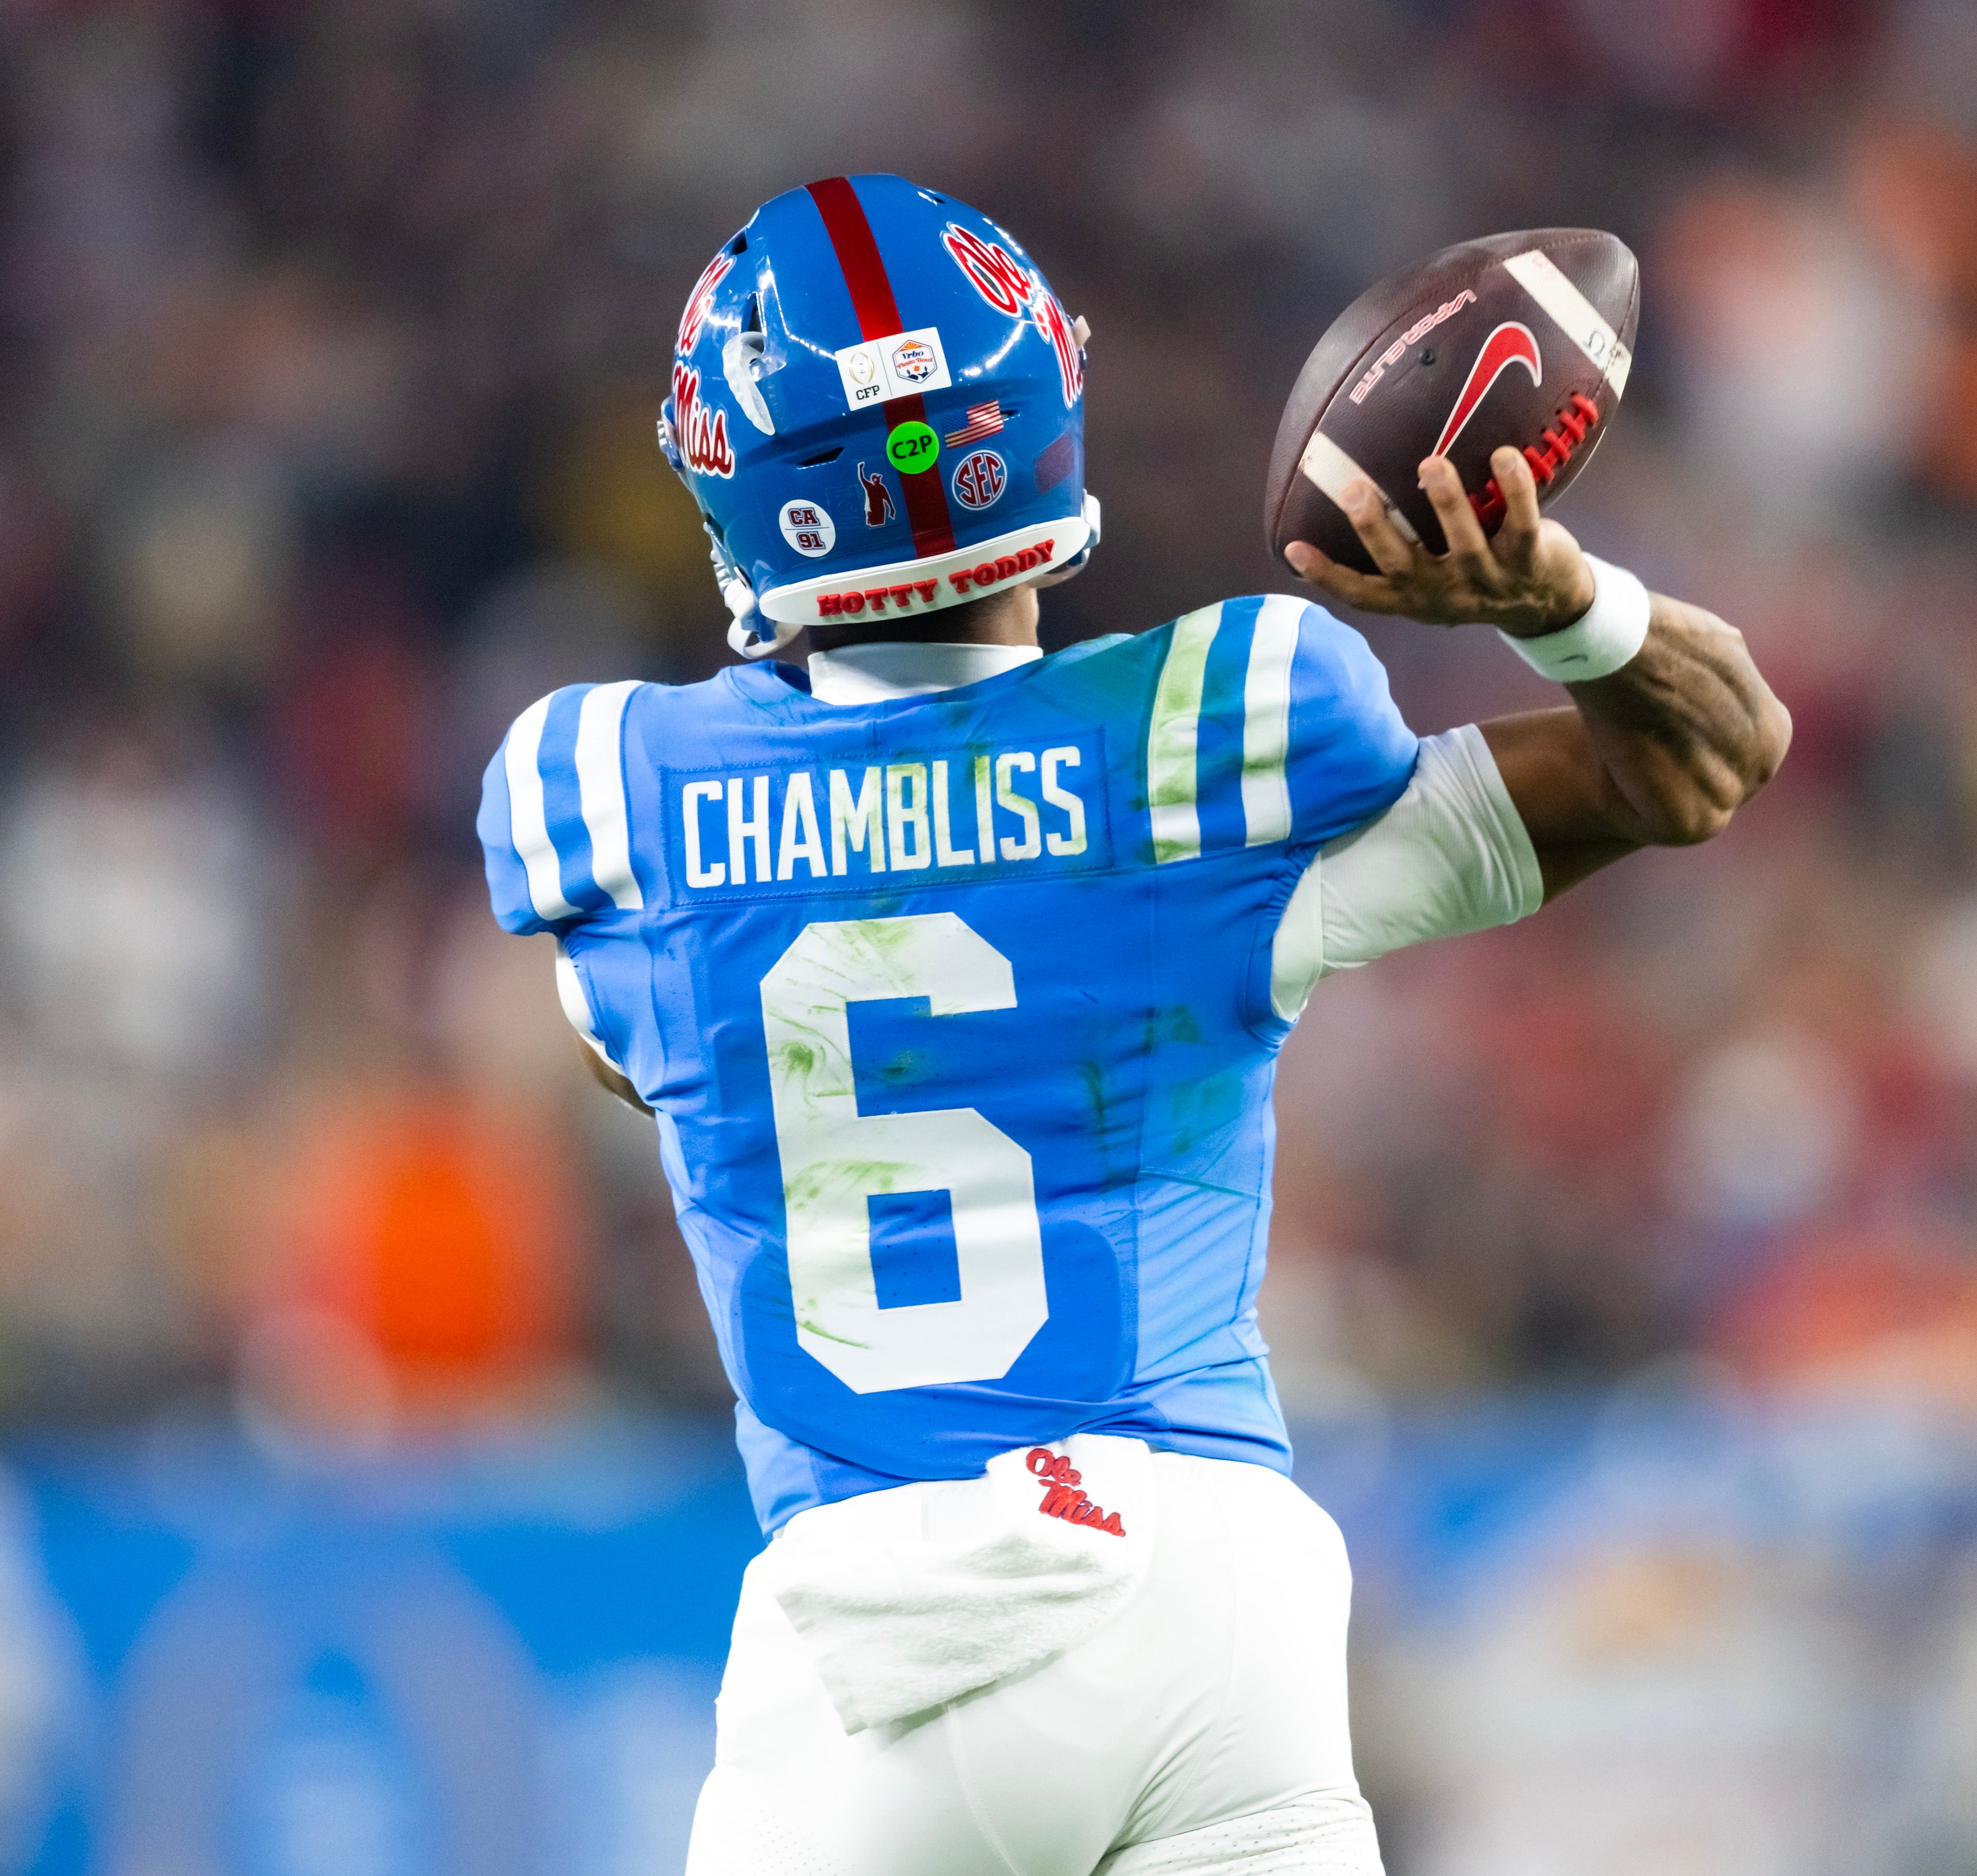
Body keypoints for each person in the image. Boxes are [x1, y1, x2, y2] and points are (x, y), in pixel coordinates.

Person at [478, 174, 1788, 1876]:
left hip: (879, 1664)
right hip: (1204, 1606)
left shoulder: (616, 805)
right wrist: (1551, 596)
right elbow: (1705, 756)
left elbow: (639, 1041)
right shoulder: (1213, 751)